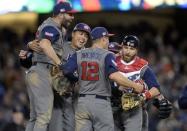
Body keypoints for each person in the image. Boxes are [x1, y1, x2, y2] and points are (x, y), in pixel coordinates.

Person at [62, 27, 145, 131]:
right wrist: (135, 85)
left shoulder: (78, 54)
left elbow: (66, 70)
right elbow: (114, 76)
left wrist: (77, 79)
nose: (108, 42)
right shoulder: (107, 55)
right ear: (103, 39)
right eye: (107, 39)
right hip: (100, 102)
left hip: (82, 102)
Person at [19, 23, 91, 131]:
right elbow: (37, 57)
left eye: (86, 36)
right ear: (73, 34)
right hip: (54, 95)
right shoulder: (61, 46)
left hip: (72, 97)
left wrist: (72, 76)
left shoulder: (87, 55)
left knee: (71, 127)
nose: (83, 38)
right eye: (81, 34)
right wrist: (27, 52)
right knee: (52, 125)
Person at [23, 2, 75, 131]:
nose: (72, 17)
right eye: (70, 14)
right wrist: (60, 63)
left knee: (35, 117)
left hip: (37, 71)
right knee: (43, 117)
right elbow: (45, 44)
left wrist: (29, 45)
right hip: (42, 71)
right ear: (61, 14)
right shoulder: (51, 27)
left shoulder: (50, 26)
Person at [111, 35, 171, 131]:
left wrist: (142, 96)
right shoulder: (113, 61)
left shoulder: (142, 66)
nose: (128, 51)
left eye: (131, 48)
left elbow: (156, 88)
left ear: (137, 50)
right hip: (112, 107)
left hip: (133, 109)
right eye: (126, 47)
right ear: (121, 46)